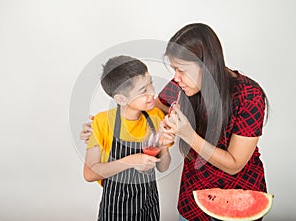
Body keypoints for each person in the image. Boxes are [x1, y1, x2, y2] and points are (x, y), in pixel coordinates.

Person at [81, 23, 269, 221]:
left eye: (181, 70)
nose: (176, 78)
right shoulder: (182, 86)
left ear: (206, 64)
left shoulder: (249, 96)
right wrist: (100, 124)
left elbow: (234, 164)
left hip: (240, 197)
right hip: (192, 200)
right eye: (174, 70)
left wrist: (188, 135)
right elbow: (152, 106)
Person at [83, 55, 172, 221]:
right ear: (121, 99)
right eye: (143, 90)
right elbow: (89, 173)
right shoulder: (102, 122)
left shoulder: (155, 117)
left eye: (151, 83)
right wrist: (131, 161)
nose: (152, 92)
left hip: (149, 206)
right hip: (116, 210)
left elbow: (163, 167)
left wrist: (164, 148)